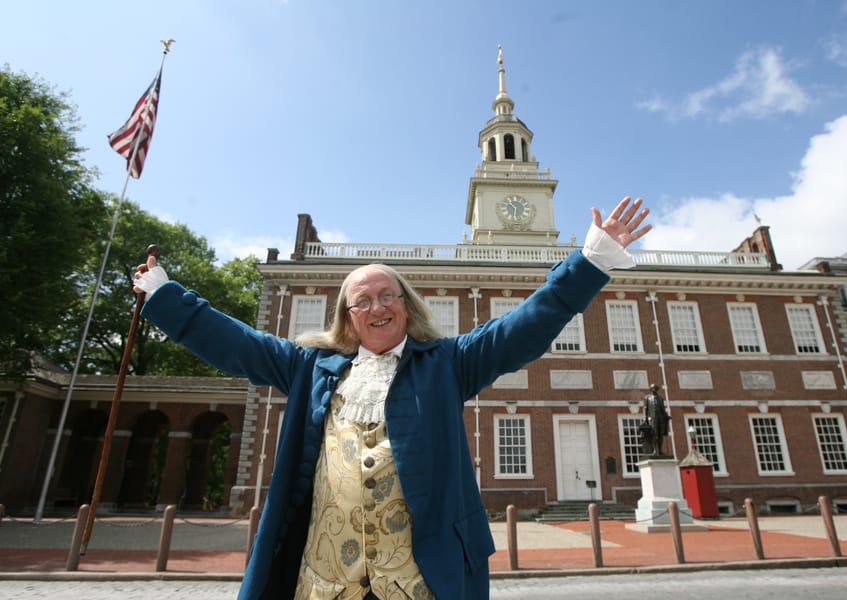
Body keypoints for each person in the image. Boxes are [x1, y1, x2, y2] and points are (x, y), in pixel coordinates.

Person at [133, 196, 651, 600]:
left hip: (419, 578)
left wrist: (590, 262)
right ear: (348, 315)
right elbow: (235, 342)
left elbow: (524, 327)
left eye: (388, 296)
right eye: (363, 300)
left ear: (405, 306)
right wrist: (164, 295)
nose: (377, 306)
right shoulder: (309, 366)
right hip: (325, 576)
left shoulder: (448, 363)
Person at [641, 383, 670, 457]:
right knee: (654, 434)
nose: (654, 390)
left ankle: (660, 450)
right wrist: (645, 419)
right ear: (650, 390)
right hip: (652, 419)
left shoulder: (660, 398)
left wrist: (666, 416)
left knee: (660, 435)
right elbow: (645, 409)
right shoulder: (647, 398)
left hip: (660, 418)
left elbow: (663, 409)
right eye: (652, 389)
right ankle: (654, 450)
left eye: (655, 389)